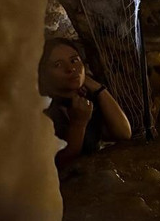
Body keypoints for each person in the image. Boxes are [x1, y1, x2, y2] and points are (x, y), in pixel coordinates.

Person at [38, 38, 132, 168]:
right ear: (42, 74)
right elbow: (60, 164)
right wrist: (78, 124)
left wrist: (98, 89)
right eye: (58, 65)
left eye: (74, 60)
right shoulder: (41, 109)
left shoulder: (84, 98)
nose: (70, 68)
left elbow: (123, 133)